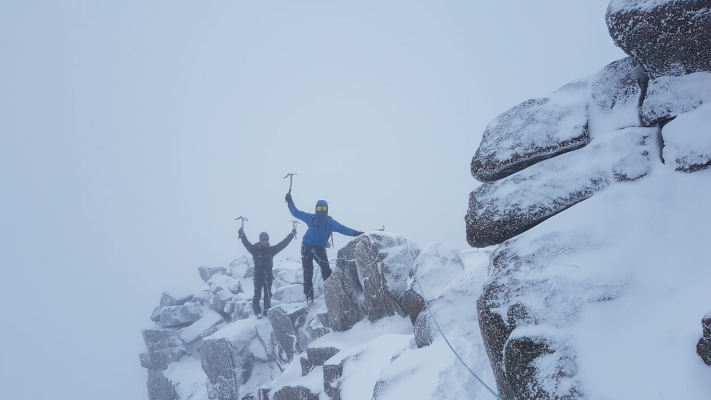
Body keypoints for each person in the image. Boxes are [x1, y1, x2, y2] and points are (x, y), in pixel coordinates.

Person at [285, 193, 363, 304]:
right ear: (316, 209)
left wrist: (356, 233)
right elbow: (296, 213)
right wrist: (290, 202)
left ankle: (332, 294)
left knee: (326, 271)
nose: (321, 211)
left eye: (323, 208)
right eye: (319, 208)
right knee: (308, 273)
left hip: (319, 250)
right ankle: (309, 298)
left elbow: (342, 229)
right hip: (306, 248)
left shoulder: (329, 222)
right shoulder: (310, 218)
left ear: (327, 209)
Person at [238, 228, 295, 317]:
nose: (264, 241)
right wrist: (242, 235)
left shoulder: (272, 250)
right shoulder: (255, 250)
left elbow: (283, 244)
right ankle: (257, 312)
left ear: (268, 240)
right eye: (262, 239)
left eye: (265, 239)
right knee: (257, 294)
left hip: (268, 275)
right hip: (258, 275)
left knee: (268, 294)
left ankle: (267, 310)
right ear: (260, 240)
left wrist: (291, 234)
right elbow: (246, 244)